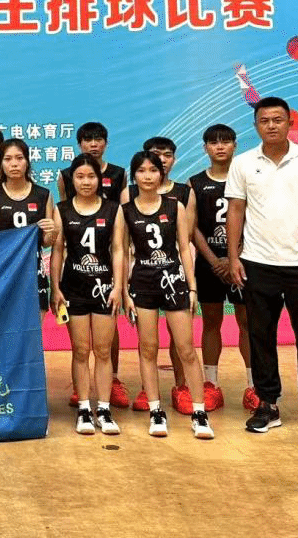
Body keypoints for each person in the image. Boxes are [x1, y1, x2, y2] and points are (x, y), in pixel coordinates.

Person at [226, 96, 298, 439]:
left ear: (290, 122)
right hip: (257, 264)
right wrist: (233, 257)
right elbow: (236, 210)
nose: (271, 125)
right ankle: (267, 404)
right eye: (264, 120)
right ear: (256, 126)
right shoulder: (244, 163)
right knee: (260, 336)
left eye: (278, 119)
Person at [122, 151, 213, 440]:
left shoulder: (176, 206)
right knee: (148, 349)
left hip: (173, 281)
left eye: (153, 170)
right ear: (134, 176)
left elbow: (185, 248)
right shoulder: (126, 211)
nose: (147, 176)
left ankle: (199, 413)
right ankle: (155, 411)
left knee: (186, 349)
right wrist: (124, 291)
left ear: (161, 174)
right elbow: (121, 253)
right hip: (142, 283)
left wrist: (192, 286)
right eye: (141, 171)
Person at [51, 154, 126, 436]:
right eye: (80, 177)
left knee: (103, 351)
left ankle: (104, 409)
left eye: (91, 176)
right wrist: (56, 287)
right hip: (74, 287)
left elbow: (118, 249)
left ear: (100, 179)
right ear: (71, 180)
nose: (85, 182)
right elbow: (57, 250)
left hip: (104, 289)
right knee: (81, 351)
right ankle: (84, 407)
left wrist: (118, 287)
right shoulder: (62, 210)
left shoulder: (113, 209)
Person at [188, 124, 254, 412]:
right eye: (213, 142)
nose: (220, 147)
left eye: (225, 141)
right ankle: (211, 384)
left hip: (243, 262)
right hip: (209, 265)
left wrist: (234, 256)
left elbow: (255, 220)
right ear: (205, 148)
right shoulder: (195, 183)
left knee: (247, 323)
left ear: (235, 145)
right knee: (211, 322)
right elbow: (192, 227)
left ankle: (253, 386)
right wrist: (215, 261)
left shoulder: (247, 179)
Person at [0, 138, 56, 317]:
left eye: (19, 158)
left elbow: (46, 242)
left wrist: (53, 232)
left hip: (34, 271)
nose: (14, 164)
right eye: (8, 159)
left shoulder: (43, 195)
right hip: (5, 271)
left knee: (34, 329)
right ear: (1, 163)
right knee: (7, 327)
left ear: (27, 161)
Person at [58, 122, 127, 203]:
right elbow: (63, 206)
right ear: (79, 145)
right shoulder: (65, 175)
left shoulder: (119, 173)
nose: (93, 144)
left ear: (106, 143)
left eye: (98, 140)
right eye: (88, 140)